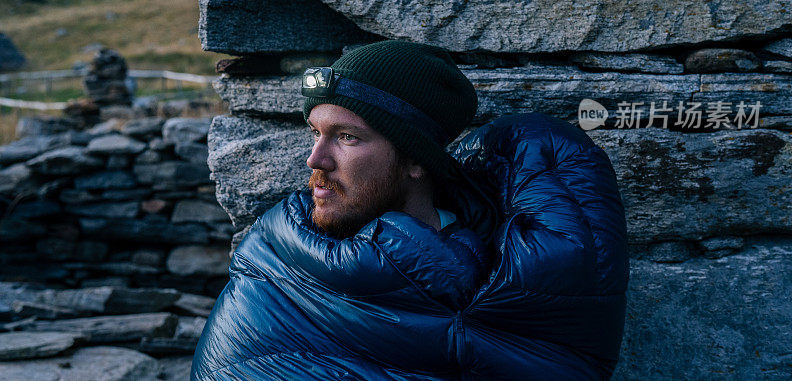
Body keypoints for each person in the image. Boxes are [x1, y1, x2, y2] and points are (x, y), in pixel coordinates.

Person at [192, 40, 629, 380]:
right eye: (315, 133)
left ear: (417, 160)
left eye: (347, 137)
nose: (315, 160)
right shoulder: (277, 260)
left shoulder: (522, 275)